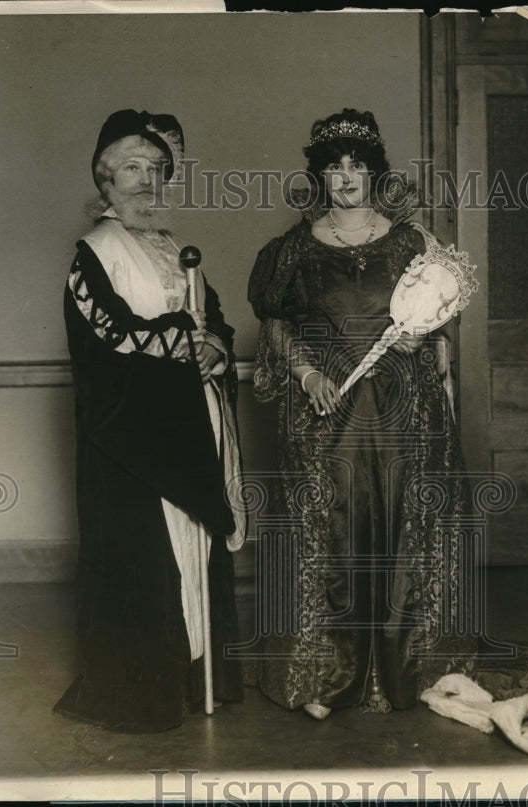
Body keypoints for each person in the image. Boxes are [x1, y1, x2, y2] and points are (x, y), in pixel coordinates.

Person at [247, 109, 476, 719]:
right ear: (318, 175)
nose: (345, 176)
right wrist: (308, 374)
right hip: (328, 422)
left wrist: (423, 341)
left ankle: (411, 673)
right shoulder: (291, 250)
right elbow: (277, 327)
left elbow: (440, 321)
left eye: (357, 165)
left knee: (406, 533)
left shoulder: (411, 243)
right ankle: (329, 675)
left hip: (406, 416)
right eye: (333, 165)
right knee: (334, 539)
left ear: (376, 173)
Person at [55, 109, 246, 733]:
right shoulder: (93, 254)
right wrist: (184, 344)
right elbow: (107, 336)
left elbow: (211, 315)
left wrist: (215, 344)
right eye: (131, 169)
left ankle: (195, 679)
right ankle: (142, 691)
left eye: (155, 170)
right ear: (105, 183)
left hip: (191, 424)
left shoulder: (174, 249)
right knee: (146, 559)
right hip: (131, 439)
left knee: (194, 551)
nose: (145, 181)